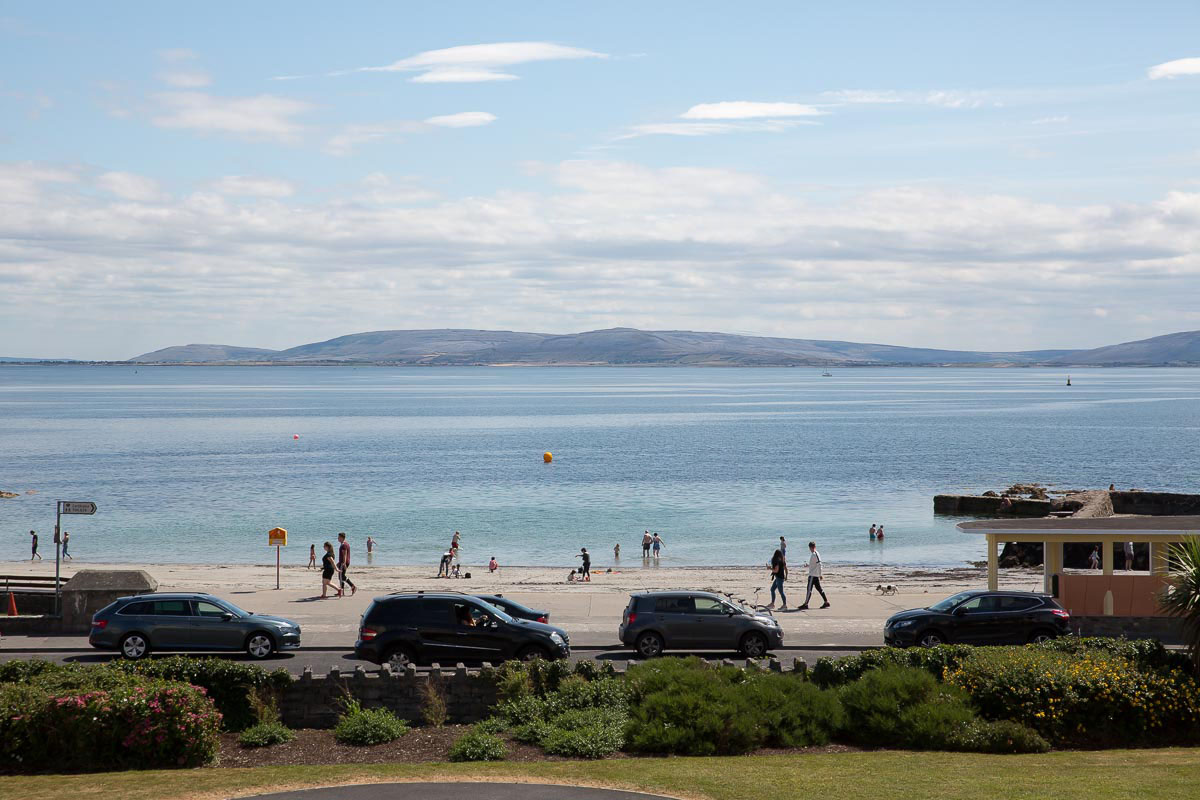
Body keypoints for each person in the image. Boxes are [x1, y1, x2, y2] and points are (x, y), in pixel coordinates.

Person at [797, 541, 829, 610]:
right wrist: (808, 565)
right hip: (815, 574)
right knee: (819, 589)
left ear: (811, 547)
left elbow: (819, 564)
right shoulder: (816, 554)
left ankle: (806, 604)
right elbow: (815, 564)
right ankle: (826, 602)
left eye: (810, 548)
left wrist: (820, 574)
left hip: (813, 575)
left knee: (809, 589)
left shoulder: (815, 554)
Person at [337, 532, 357, 596]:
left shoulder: (344, 545)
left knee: (341, 576)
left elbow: (345, 554)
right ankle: (342, 591)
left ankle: (352, 586)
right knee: (341, 576)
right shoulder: (345, 544)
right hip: (342, 562)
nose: (338, 538)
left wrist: (344, 563)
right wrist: (339, 562)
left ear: (342, 538)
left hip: (344, 562)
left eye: (339, 537)